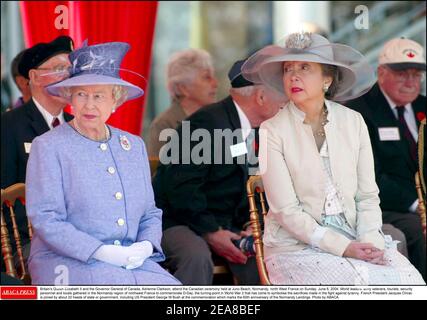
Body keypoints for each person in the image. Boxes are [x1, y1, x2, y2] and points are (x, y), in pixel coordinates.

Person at [241, 32, 425, 285]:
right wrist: (344, 247)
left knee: (411, 284)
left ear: (327, 78)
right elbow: (286, 211)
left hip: (357, 236)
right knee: (358, 285)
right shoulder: (273, 130)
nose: (293, 76)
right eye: (288, 69)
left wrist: (370, 241)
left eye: (305, 68)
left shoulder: (353, 121)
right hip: (297, 247)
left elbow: (368, 195)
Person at [25, 40, 180, 285]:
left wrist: (146, 245)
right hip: (65, 261)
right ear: (70, 99)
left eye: (98, 96)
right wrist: (101, 251)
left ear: (115, 101)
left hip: (132, 260)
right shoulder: (48, 146)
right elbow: (46, 218)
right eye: (81, 95)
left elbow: (150, 212)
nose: (89, 104)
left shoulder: (133, 145)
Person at [153, 58, 286, 285]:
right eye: (281, 94)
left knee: (265, 255)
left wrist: (246, 226)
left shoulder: (254, 129)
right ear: (261, 97)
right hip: (176, 220)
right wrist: (212, 231)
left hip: (222, 221)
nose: (287, 101)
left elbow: (242, 185)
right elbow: (181, 189)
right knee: (195, 257)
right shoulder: (206, 123)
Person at [346, 37, 426, 280]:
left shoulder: (424, 106)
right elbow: (371, 176)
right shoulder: (358, 112)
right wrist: (418, 206)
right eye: (402, 73)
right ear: (381, 73)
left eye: (416, 74)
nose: (411, 81)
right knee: (417, 230)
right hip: (387, 207)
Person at [0, 36, 74, 259]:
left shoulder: (78, 125)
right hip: (29, 239)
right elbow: (6, 198)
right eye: (60, 68)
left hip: (79, 235)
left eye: (71, 70)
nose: (69, 77)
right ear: (34, 76)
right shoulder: (9, 126)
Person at [147, 48, 218, 158]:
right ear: (183, 88)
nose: (215, 83)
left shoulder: (221, 118)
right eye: (206, 77)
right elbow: (159, 173)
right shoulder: (164, 126)